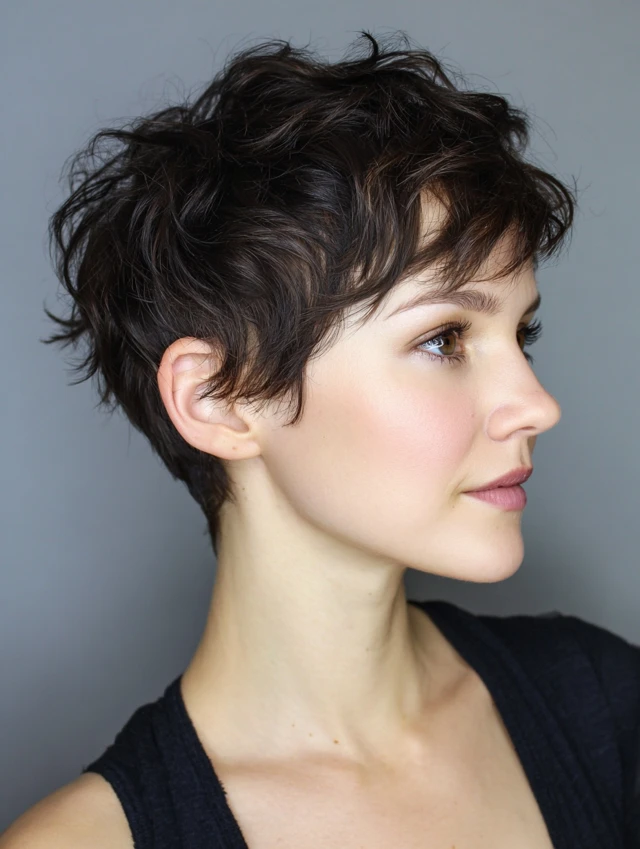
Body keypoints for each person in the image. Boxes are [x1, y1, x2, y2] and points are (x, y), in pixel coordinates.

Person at [2, 29, 638, 849]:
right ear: (219, 398)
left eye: (523, 335)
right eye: (444, 338)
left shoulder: (606, 705)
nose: (538, 405)